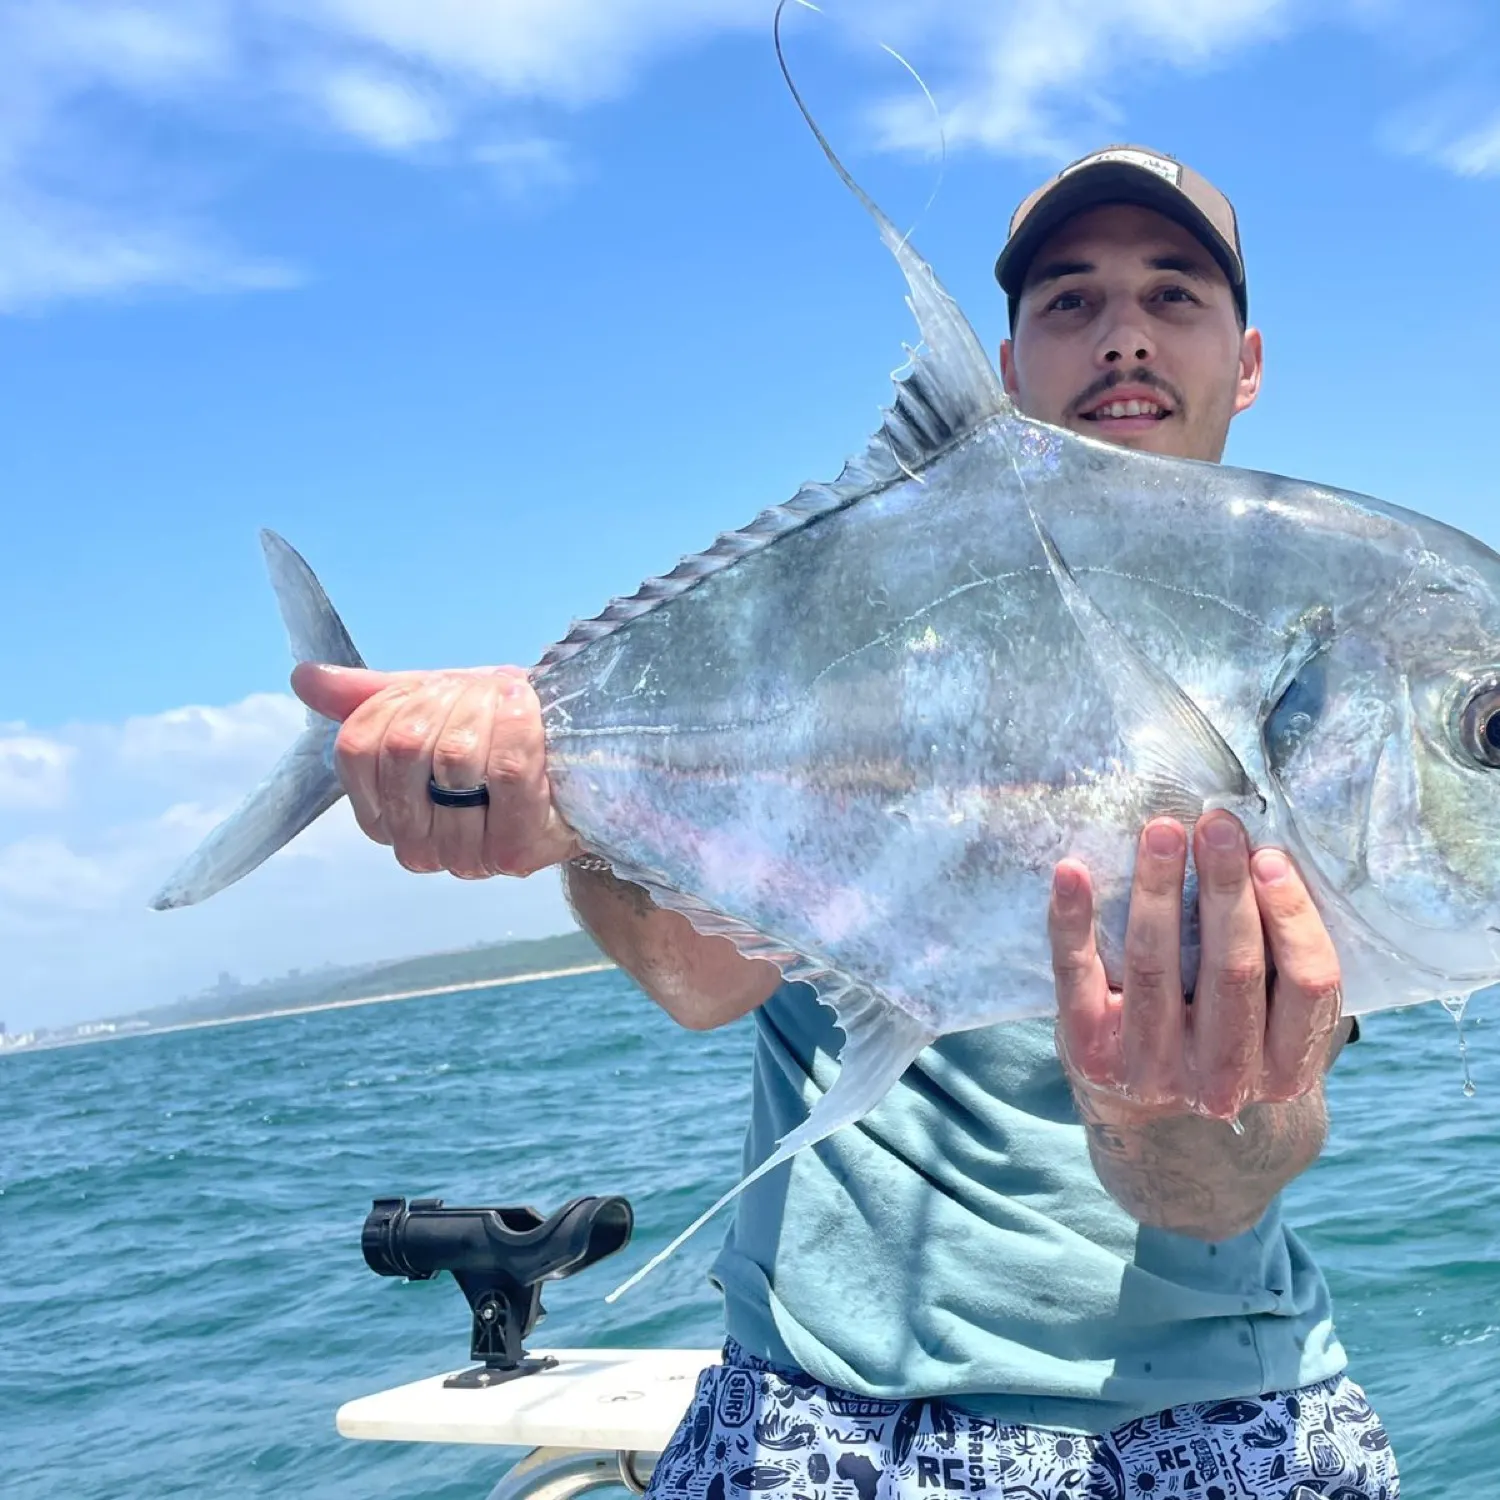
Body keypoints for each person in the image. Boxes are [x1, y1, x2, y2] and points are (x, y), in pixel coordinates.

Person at [294, 148, 1399, 1497]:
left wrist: (1162, 1101)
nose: (1122, 334)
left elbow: (1217, 1192)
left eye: (1174, 296)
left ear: (1249, 360)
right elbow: (703, 977)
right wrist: (559, 809)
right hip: (819, 1416)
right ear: (1000, 370)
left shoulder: (1309, 613)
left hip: (1210, 1407)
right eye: (1069, 301)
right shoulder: (826, 619)